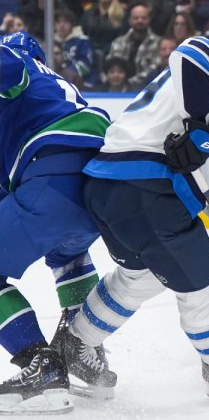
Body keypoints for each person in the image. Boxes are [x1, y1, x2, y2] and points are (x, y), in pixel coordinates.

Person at [60, 2, 209, 400]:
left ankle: (78, 340)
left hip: (108, 184)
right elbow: (193, 52)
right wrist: (199, 124)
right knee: (204, 284)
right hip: (148, 186)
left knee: (141, 277)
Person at [0, 31, 112, 414]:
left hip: (53, 179)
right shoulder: (55, 91)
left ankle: (40, 365)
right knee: (69, 255)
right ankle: (84, 349)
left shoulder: (19, 67)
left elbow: (10, 66)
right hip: (100, 190)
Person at [107, 4, 161, 90]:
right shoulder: (118, 42)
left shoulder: (158, 43)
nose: (140, 21)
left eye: (144, 18)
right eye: (136, 18)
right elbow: (109, 66)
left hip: (147, 89)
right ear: (130, 20)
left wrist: (129, 83)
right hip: (118, 90)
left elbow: (153, 70)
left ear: (149, 20)